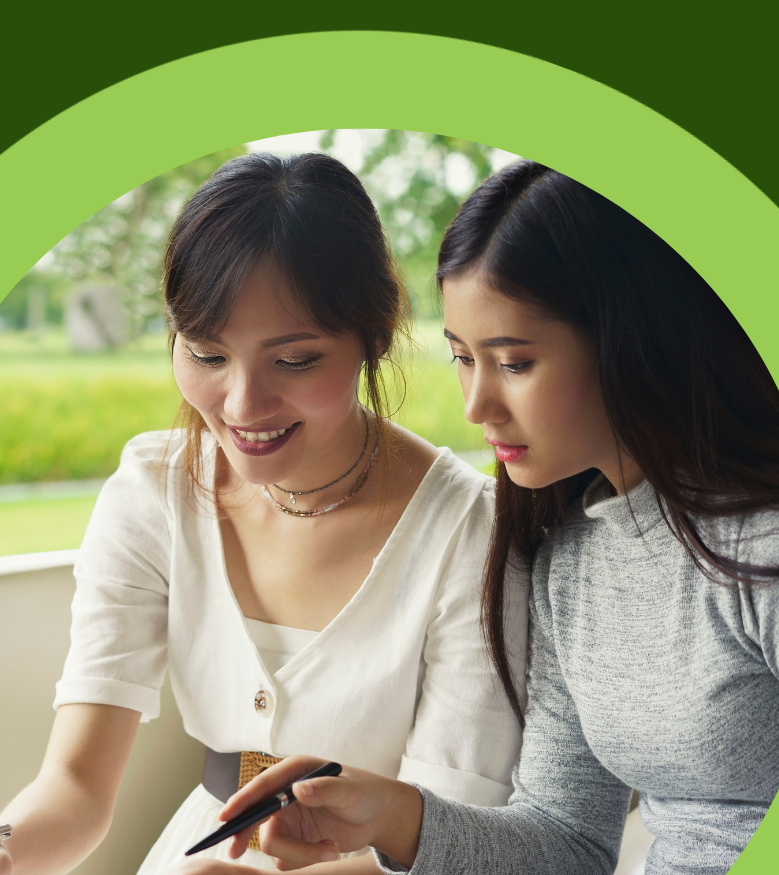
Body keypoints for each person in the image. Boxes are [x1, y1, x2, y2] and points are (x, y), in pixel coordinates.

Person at [189, 161, 779, 875]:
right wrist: (394, 815)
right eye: (463, 358)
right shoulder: (569, 557)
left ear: (630, 341)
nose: (475, 405)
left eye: (514, 363)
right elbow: (568, 843)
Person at [0, 153, 525, 875]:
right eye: (207, 353)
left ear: (373, 336)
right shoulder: (154, 490)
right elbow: (76, 787)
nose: (242, 406)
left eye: (296, 360)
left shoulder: (471, 534)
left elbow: (457, 841)